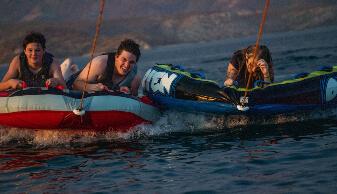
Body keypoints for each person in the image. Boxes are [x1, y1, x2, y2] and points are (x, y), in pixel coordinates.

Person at [72, 39, 141, 96]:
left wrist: (126, 93)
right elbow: (75, 84)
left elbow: (134, 100)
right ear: (116, 56)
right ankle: (74, 69)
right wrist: (94, 87)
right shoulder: (100, 63)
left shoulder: (135, 78)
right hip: (74, 83)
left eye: (131, 62)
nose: (126, 65)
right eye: (124, 59)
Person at [0, 32, 66, 91]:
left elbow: (65, 88)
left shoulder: (52, 63)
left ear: (44, 51)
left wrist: (56, 81)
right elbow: (1, 86)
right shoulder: (17, 61)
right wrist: (10, 83)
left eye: (37, 50)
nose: (34, 54)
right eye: (30, 50)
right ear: (25, 51)